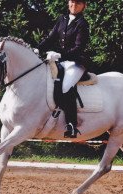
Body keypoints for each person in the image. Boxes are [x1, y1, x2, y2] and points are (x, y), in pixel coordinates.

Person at [34, 0, 89, 138]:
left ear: (84, 6)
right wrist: (37, 48)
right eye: (72, 2)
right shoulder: (62, 19)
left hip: (76, 62)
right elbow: (51, 38)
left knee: (65, 86)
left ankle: (71, 125)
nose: (74, 5)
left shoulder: (83, 24)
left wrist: (60, 54)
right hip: (61, 61)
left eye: (78, 3)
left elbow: (79, 47)